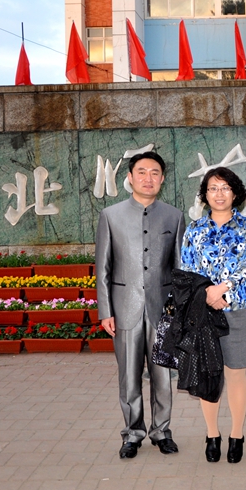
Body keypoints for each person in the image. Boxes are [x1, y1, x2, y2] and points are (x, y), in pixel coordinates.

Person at [95, 151, 185, 460]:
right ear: (130, 178)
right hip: (124, 309)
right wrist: (105, 311)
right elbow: (103, 268)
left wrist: (178, 311)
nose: (149, 178)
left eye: (155, 173)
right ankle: (132, 433)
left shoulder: (174, 216)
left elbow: (180, 268)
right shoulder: (111, 215)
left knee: (163, 376)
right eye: (142, 172)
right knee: (129, 377)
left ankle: (162, 431)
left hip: (163, 309)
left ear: (162, 178)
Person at [180, 167, 246, 464]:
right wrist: (207, 293)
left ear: (235, 193)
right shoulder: (194, 229)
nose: (219, 194)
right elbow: (187, 267)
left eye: (225, 188)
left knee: (236, 373)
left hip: (238, 307)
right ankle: (212, 434)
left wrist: (223, 288)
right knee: (209, 372)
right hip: (204, 309)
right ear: (205, 195)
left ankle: (237, 435)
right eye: (213, 188)